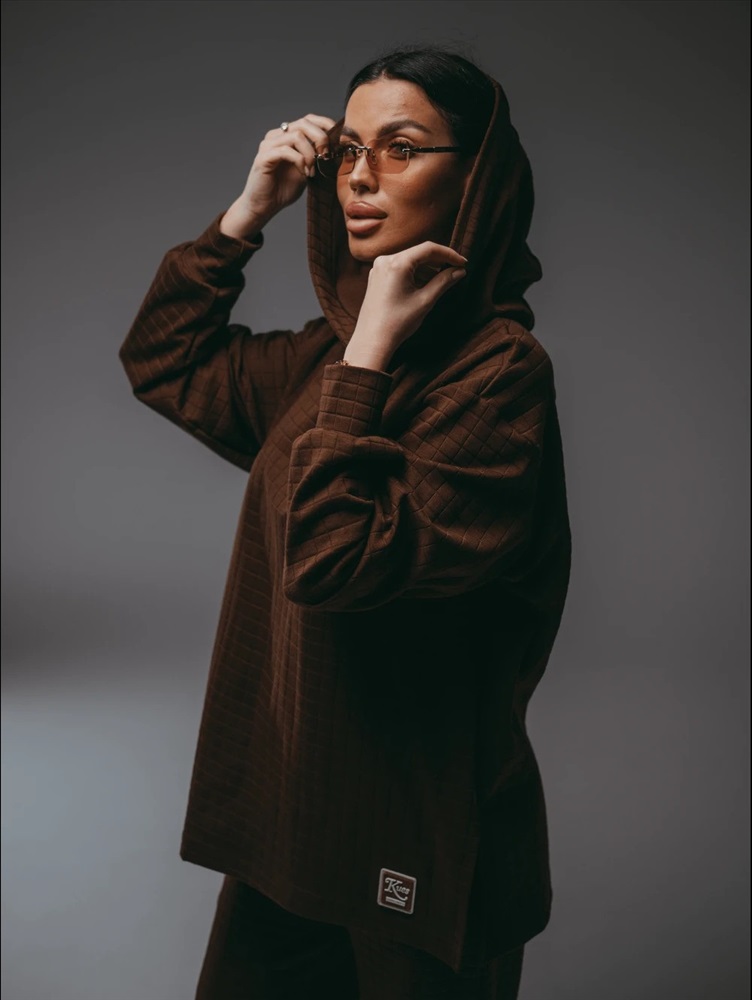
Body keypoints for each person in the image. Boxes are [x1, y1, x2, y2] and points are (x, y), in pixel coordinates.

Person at [118, 44, 572, 1000]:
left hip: (417, 838)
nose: (360, 179)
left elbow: (332, 561)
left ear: (475, 177)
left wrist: (366, 355)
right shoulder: (326, 356)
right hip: (293, 818)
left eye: (400, 148)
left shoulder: (499, 376)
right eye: (348, 153)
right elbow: (164, 360)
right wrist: (248, 215)